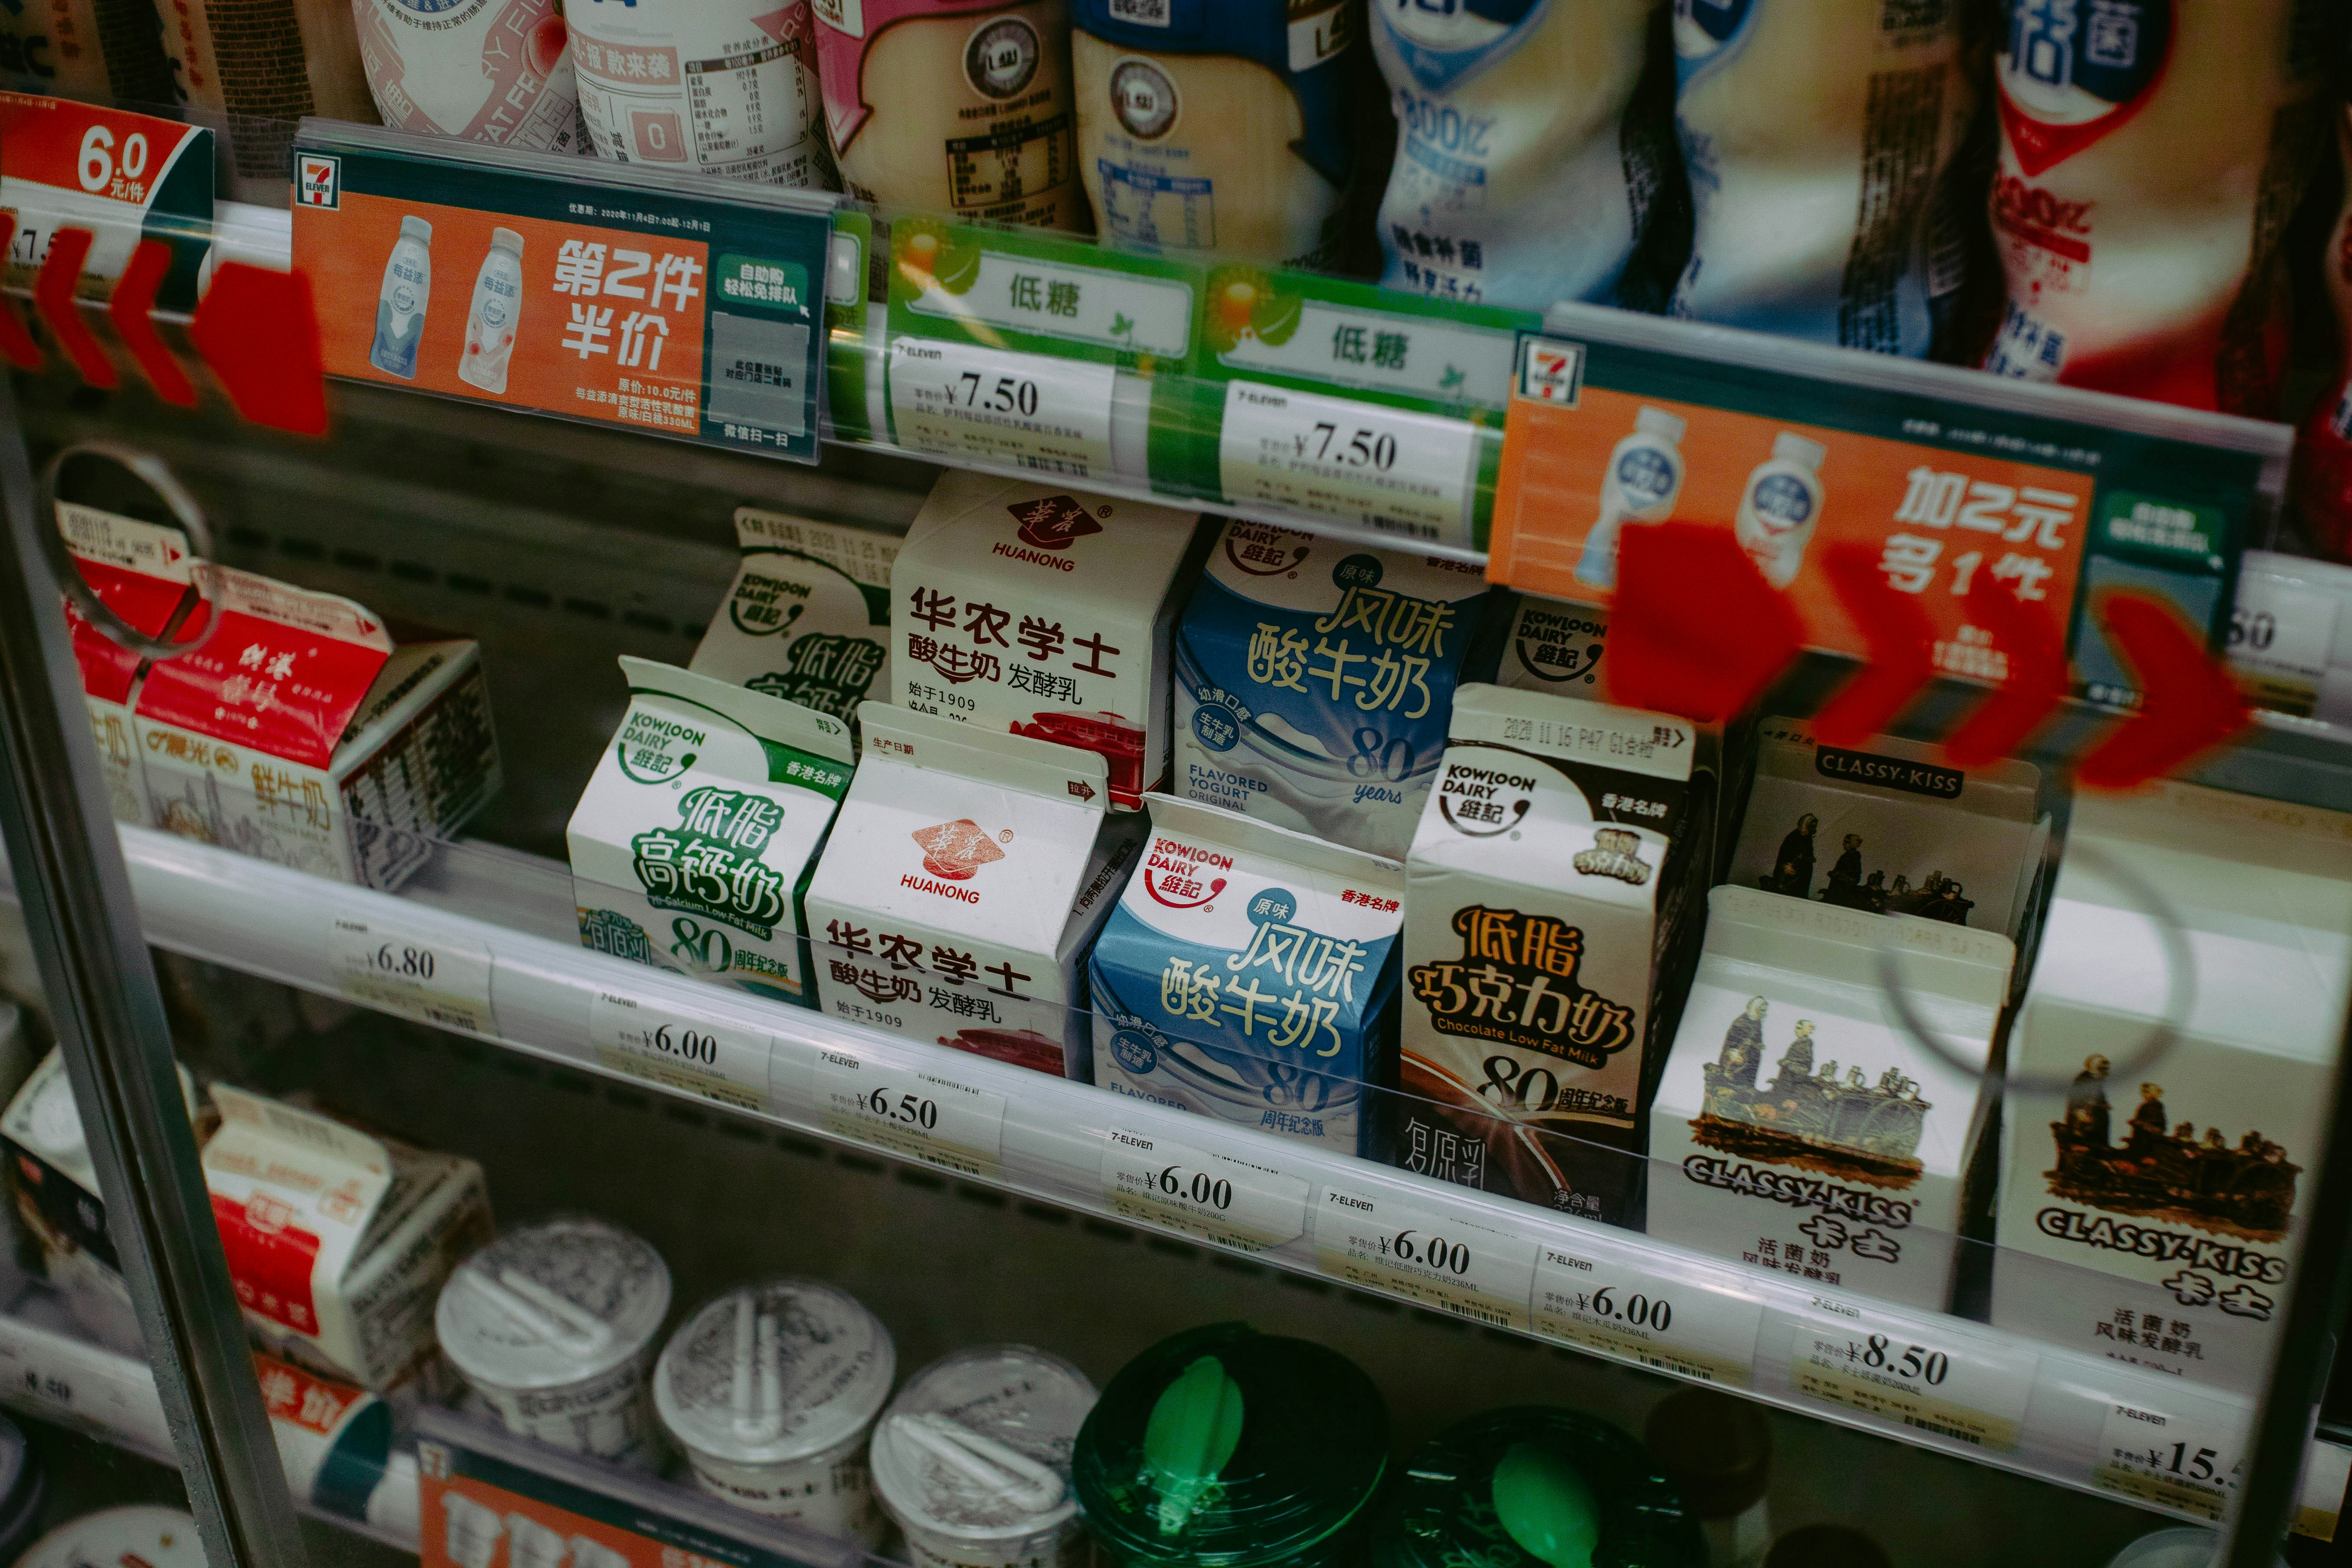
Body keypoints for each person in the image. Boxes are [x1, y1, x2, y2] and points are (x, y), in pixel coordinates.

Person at [1718, 997, 1767, 1088]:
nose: (1765, 1014)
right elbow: (1731, 1043)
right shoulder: (1740, 1023)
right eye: (1763, 1011)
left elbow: (1757, 1039)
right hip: (1737, 1059)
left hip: (1751, 1058)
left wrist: (1758, 1045)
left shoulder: (1757, 1022)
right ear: (1756, 1009)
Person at [1767, 814, 1818, 898]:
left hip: (1802, 875)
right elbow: (1784, 857)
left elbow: (1809, 855)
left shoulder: (1808, 839)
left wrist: (1808, 859)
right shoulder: (1793, 838)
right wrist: (1787, 866)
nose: (1814, 829)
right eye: (1812, 826)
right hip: (1790, 875)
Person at [2067, 1055, 2112, 1147]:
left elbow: (2100, 1098)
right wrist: (2080, 1113)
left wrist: (2104, 1105)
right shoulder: (2083, 1079)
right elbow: (2075, 1101)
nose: (2105, 1070)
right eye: (2102, 1067)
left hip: (2096, 1116)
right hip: (2084, 1116)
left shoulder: (2097, 1081)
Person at [1823, 833, 1865, 907]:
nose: (1844, 844)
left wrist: (1839, 875)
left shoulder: (1854, 857)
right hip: (1837, 888)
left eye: (1846, 842)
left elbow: (1855, 876)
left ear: (1852, 844)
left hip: (1843, 891)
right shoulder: (1846, 856)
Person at [2127, 1083, 2169, 1154]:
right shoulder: (2145, 1105)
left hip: (2149, 1138)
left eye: (2147, 1092)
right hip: (2141, 1136)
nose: (2144, 1094)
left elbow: (2157, 1124)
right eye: (2143, 1092)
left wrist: (2140, 1123)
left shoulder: (2155, 1105)